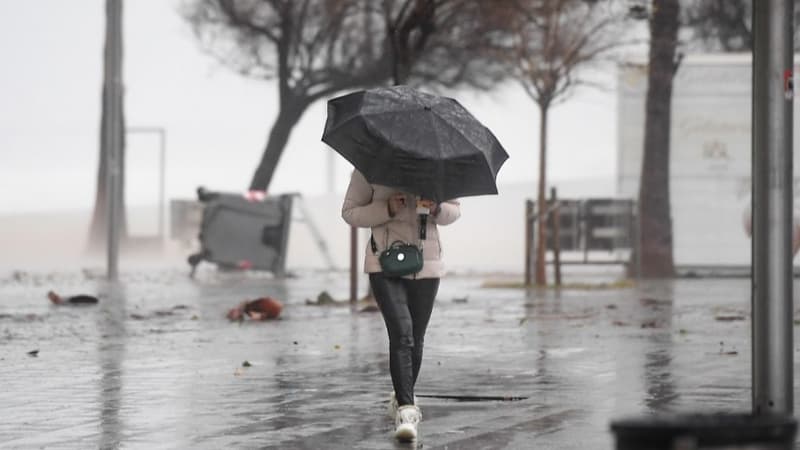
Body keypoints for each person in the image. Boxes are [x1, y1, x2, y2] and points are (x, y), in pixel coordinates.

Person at [341, 169, 461, 442]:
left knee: (416, 338)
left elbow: (455, 211)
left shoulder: (437, 165)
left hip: (427, 264)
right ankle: (407, 412)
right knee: (402, 334)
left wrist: (437, 208)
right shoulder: (370, 166)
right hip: (384, 263)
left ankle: (400, 398)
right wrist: (387, 208)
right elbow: (350, 212)